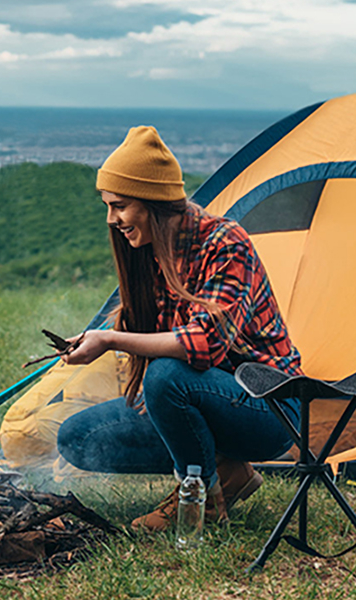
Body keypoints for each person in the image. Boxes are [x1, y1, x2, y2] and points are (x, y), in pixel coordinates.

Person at [56, 126, 302, 532]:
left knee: (167, 375)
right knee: (79, 437)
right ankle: (229, 471)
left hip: (270, 406)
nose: (111, 219)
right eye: (107, 205)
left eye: (119, 206)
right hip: (207, 397)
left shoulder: (226, 243)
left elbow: (203, 345)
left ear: (152, 202)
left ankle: (199, 498)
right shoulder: (149, 254)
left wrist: (111, 340)